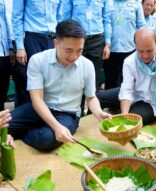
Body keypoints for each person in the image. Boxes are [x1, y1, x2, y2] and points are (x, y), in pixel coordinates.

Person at [8, 20, 111, 151]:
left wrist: (98, 112)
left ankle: (20, 134)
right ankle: (21, 131)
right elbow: (37, 99)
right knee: (3, 124)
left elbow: (91, 98)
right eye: (69, 50)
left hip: (67, 114)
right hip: (40, 108)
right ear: (56, 43)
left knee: (46, 139)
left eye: (79, 50)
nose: (74, 56)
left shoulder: (87, 65)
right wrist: (56, 127)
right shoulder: (38, 60)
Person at [97, 28, 156, 132]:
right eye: (140, 51)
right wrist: (124, 114)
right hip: (135, 93)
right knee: (97, 99)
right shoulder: (129, 61)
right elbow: (127, 90)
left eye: (149, 51)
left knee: (131, 122)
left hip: (153, 102)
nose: (145, 55)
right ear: (135, 46)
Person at [12, 0, 62, 105]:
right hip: (33, 39)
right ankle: (26, 113)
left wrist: (60, 41)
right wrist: (20, 47)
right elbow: (17, 18)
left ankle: (46, 112)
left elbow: (59, 16)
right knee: (30, 79)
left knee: (52, 78)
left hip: (53, 39)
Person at [61, 0, 111, 90]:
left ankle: (92, 102)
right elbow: (65, 19)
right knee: (75, 74)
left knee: (94, 76)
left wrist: (107, 44)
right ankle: (77, 103)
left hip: (97, 39)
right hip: (77, 39)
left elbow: (106, 20)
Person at [103, 0, 145, 89]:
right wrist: (107, 43)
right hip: (111, 50)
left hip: (130, 49)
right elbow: (106, 23)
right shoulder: (108, 2)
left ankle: (124, 102)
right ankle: (110, 102)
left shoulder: (136, 3)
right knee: (110, 80)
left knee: (127, 81)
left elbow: (141, 26)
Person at [0, 0, 15, 111]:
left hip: (4, 52)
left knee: (2, 92)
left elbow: (5, 23)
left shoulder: (2, 3)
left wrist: (10, 48)